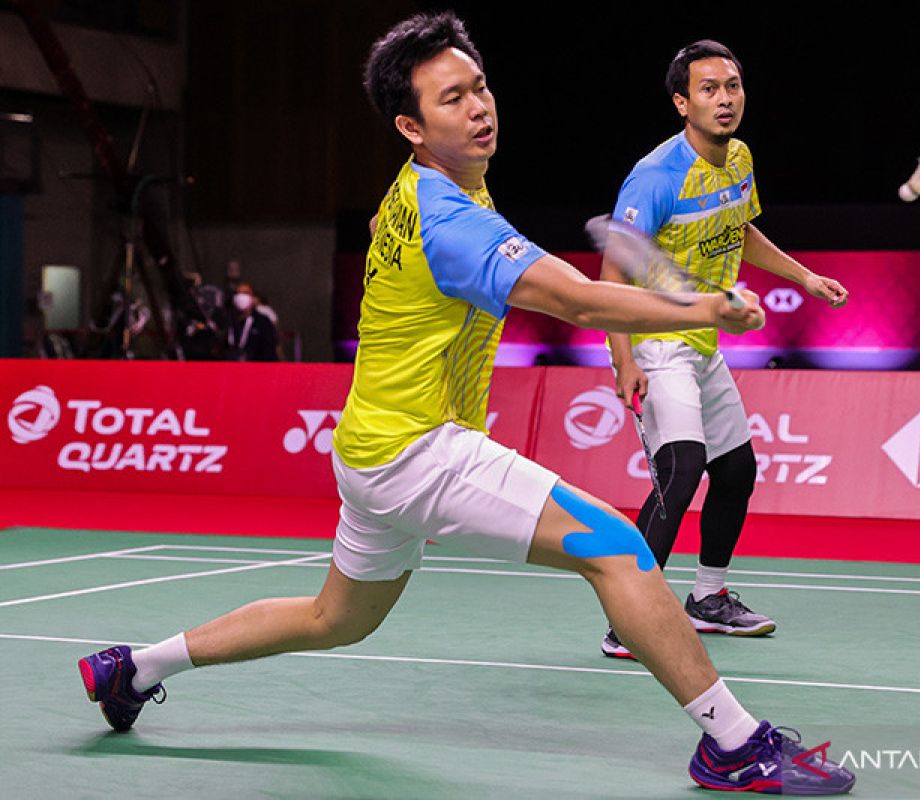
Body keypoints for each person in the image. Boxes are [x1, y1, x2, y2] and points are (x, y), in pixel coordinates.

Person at [75, 13, 854, 796]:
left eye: (480, 87)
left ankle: (131, 669)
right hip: (418, 448)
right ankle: (733, 745)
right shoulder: (453, 221)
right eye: (454, 98)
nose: (480, 106)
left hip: (370, 447)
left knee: (334, 620)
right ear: (412, 125)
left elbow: (394, 224)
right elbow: (579, 303)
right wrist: (704, 310)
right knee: (618, 547)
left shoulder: (427, 188)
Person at [598, 40, 848, 659]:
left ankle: (708, 598)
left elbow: (740, 229)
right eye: (709, 89)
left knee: (736, 471)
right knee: (681, 470)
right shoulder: (656, 175)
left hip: (703, 341)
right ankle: (629, 619)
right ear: (682, 102)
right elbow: (611, 276)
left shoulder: (738, 159)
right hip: (657, 341)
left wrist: (804, 277)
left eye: (732, 86)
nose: (725, 99)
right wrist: (622, 359)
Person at [227, 280, 279, 361]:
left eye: (245, 293)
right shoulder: (227, 321)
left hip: (256, 367)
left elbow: (270, 351)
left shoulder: (263, 322)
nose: (241, 297)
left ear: (253, 298)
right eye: (238, 293)